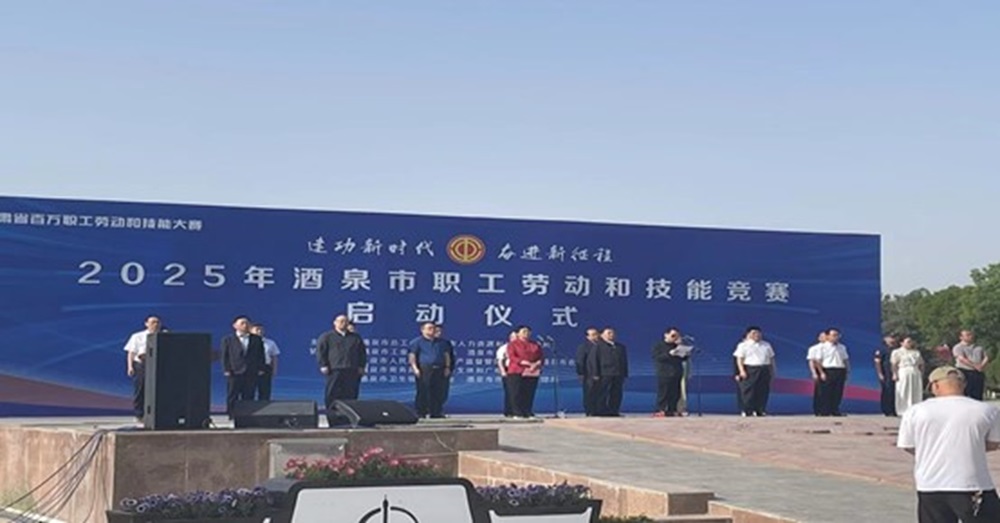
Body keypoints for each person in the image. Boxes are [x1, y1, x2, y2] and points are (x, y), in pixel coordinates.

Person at [897, 366, 1000, 522]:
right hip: (972, 484)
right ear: (963, 384)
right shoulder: (987, 410)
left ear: (935, 385)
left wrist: (931, 450)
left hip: (930, 484)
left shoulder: (915, 411)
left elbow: (908, 445)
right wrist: (969, 447)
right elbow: (993, 443)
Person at [316, 314, 368, 426]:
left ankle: (349, 420)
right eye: (341, 321)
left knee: (351, 394)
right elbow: (321, 351)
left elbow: (362, 353)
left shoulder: (355, 337)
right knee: (332, 395)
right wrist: (323, 365)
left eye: (345, 321)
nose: (343, 323)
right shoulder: (327, 336)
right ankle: (333, 420)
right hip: (335, 370)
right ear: (335, 323)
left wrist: (361, 366)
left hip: (351, 370)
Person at [221, 315, 266, 416]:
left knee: (249, 394)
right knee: (233, 394)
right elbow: (225, 356)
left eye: (247, 323)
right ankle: (231, 414)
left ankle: (247, 415)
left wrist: (261, 368)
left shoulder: (256, 339)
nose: (245, 325)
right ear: (235, 326)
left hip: (251, 371)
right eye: (242, 323)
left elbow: (261, 355)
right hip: (234, 371)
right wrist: (226, 369)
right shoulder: (228, 339)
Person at [123, 315, 162, 422]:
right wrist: (130, 366)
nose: (156, 325)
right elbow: (131, 352)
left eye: (157, 322)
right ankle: (139, 414)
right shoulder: (138, 336)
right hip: (142, 365)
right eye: (153, 322)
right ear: (146, 324)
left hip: (158, 365)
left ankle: (156, 414)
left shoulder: (163, 336)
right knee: (141, 389)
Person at [408, 322, 450, 418]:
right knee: (423, 391)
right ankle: (421, 412)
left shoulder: (442, 342)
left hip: (439, 368)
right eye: (429, 328)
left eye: (433, 328)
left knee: (437, 391)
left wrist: (447, 367)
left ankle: (436, 412)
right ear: (422, 330)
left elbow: (446, 355)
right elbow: (412, 356)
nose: (432, 330)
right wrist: (415, 368)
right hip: (424, 369)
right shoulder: (416, 342)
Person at [734, 326, 776, 417]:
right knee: (748, 391)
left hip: (764, 369)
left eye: (758, 333)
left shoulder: (766, 345)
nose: (757, 335)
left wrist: (773, 371)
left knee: (762, 390)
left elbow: (772, 359)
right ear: (748, 334)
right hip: (750, 369)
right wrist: (742, 371)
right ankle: (747, 410)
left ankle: (760, 410)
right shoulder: (743, 345)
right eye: (754, 333)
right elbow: (739, 359)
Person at [810, 328, 850, 416]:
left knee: (838, 391)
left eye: (837, 335)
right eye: (834, 335)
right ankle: (825, 411)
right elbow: (818, 361)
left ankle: (835, 410)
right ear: (828, 336)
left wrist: (847, 371)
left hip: (840, 369)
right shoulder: (822, 347)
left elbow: (846, 360)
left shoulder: (842, 347)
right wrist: (821, 372)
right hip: (827, 370)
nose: (836, 337)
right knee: (826, 392)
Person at [506, 325, 543, 418]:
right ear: (518, 334)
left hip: (532, 371)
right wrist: (523, 362)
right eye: (524, 331)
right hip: (516, 371)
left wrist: (536, 364)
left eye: (528, 331)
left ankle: (528, 412)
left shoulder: (535, 344)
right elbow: (512, 356)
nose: (526, 333)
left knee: (529, 392)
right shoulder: (513, 344)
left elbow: (541, 357)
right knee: (516, 393)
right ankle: (517, 412)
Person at [590, 327, 629, 417]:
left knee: (616, 393)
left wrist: (625, 373)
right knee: (602, 393)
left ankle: (614, 411)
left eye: (612, 333)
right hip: (604, 373)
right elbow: (594, 360)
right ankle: (601, 411)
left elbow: (624, 361)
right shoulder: (598, 346)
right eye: (609, 333)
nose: (611, 335)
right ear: (602, 335)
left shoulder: (620, 347)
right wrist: (595, 373)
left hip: (618, 373)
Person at [651, 327, 689, 417]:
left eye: (677, 336)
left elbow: (684, 358)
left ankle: (672, 409)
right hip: (664, 372)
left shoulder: (677, 346)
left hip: (677, 372)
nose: (675, 338)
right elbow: (657, 357)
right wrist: (669, 354)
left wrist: (682, 348)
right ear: (666, 335)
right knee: (664, 393)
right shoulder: (659, 345)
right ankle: (660, 410)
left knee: (675, 393)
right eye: (673, 336)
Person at [892, 336, 925, 416]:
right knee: (903, 390)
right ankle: (902, 410)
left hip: (915, 371)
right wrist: (895, 374)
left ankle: (915, 409)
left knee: (915, 391)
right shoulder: (897, 352)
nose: (910, 343)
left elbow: (921, 363)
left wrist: (921, 373)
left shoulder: (916, 352)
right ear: (902, 343)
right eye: (908, 342)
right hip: (904, 371)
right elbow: (894, 364)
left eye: (911, 341)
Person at [953, 330, 989, 401]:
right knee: (965, 394)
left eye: (971, 334)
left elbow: (986, 357)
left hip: (978, 373)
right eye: (967, 335)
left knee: (978, 395)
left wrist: (982, 365)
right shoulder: (958, 347)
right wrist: (975, 366)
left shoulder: (979, 347)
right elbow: (962, 359)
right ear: (961, 337)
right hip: (965, 372)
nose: (970, 336)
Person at [249, 322, 281, 401]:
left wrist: (274, 369)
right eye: (257, 329)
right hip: (250, 369)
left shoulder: (270, 343)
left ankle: (264, 405)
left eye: (261, 329)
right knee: (249, 390)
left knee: (265, 390)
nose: (260, 331)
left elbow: (274, 357)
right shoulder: (246, 342)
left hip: (265, 368)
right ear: (250, 330)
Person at [575, 327, 600, 416]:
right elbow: (580, 360)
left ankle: (599, 410)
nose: (595, 336)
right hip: (588, 374)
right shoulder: (583, 347)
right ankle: (589, 411)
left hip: (600, 374)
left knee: (599, 393)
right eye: (592, 335)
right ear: (587, 337)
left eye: (596, 334)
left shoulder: (601, 346)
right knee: (589, 393)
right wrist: (580, 373)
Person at [874, 334, 899, 416]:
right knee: (887, 391)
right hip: (886, 373)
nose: (892, 340)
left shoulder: (897, 350)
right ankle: (887, 410)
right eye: (890, 338)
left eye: (893, 338)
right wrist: (880, 373)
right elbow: (877, 362)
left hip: (896, 373)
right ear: (885, 339)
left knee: (895, 392)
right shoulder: (881, 349)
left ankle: (894, 409)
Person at [495, 330, 517, 417]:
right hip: (508, 371)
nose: (515, 339)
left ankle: (519, 411)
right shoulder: (504, 348)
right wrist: (503, 372)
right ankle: (509, 411)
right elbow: (500, 361)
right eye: (513, 337)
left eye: (516, 337)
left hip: (520, 371)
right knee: (510, 392)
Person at [434, 325, 456, 406]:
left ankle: (438, 409)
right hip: (429, 371)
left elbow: (451, 357)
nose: (439, 333)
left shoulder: (445, 343)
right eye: (436, 331)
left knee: (442, 391)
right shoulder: (422, 343)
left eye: (440, 331)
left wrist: (449, 368)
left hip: (442, 371)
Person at [807, 332, 827, 416]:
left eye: (826, 337)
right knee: (819, 391)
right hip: (819, 369)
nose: (825, 338)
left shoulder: (832, 348)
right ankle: (818, 410)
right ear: (819, 338)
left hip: (829, 369)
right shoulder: (814, 348)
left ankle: (828, 410)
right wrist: (814, 373)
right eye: (822, 337)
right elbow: (811, 361)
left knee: (829, 391)